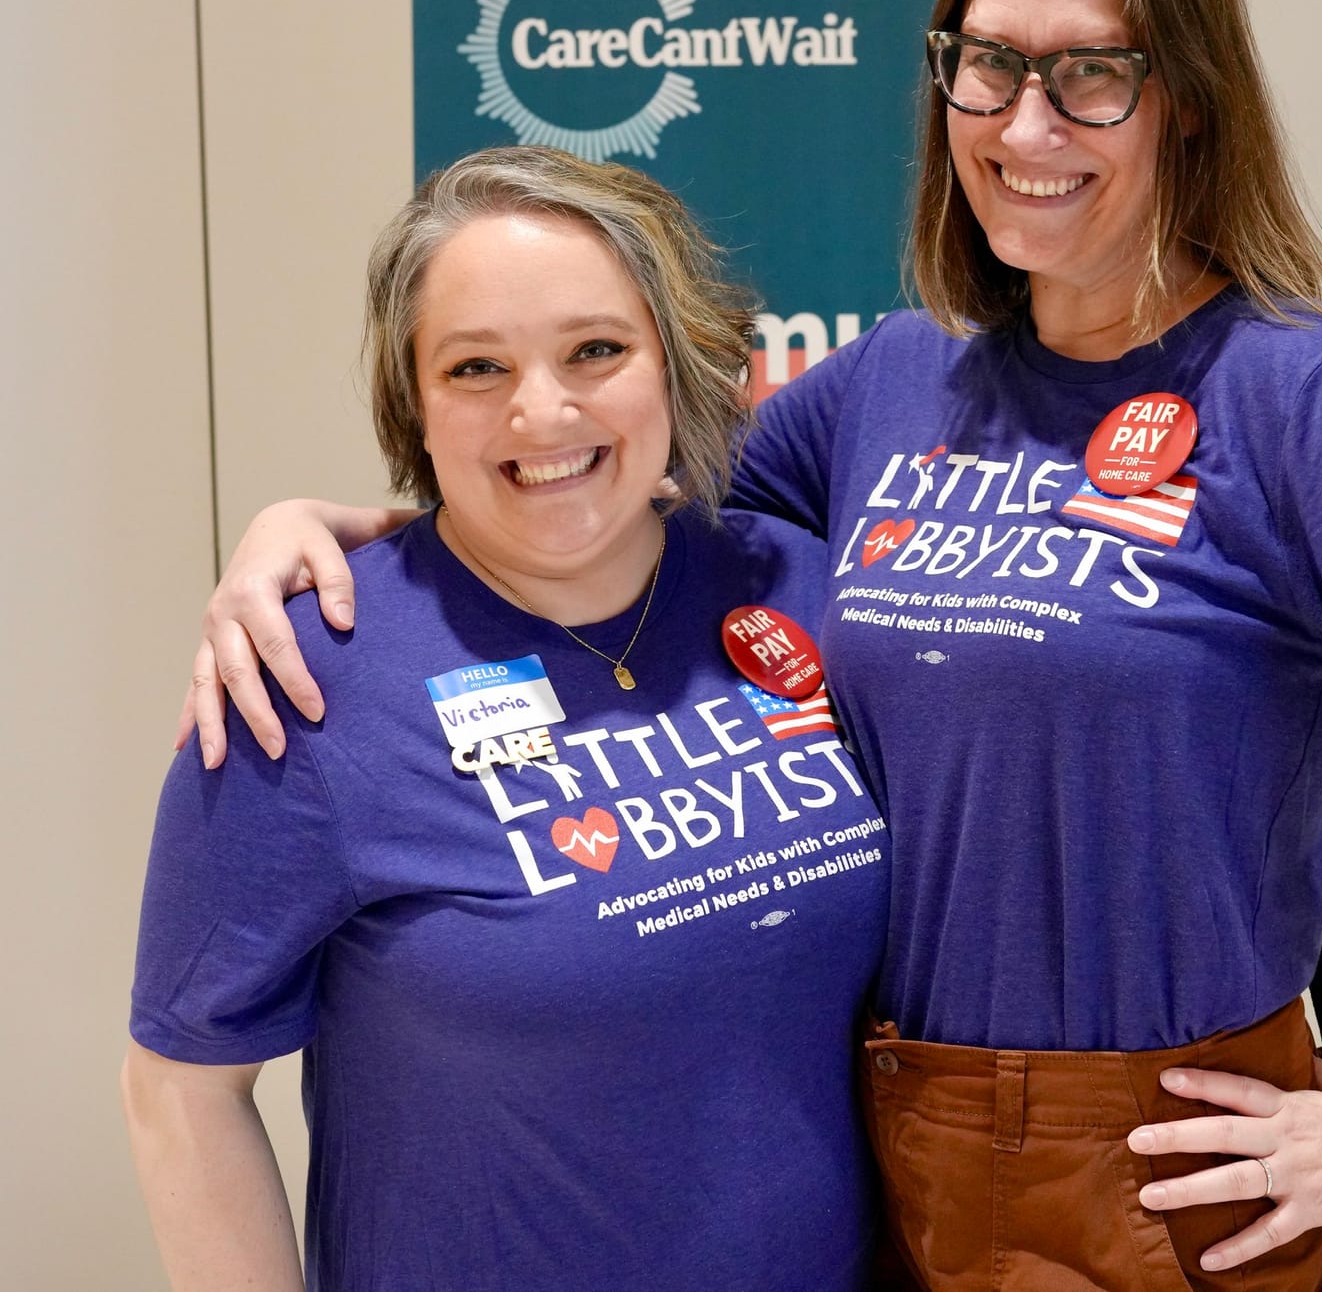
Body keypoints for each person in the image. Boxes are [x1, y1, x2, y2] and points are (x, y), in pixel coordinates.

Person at [179, 0, 1322, 1290]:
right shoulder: (891, 386)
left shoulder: (1301, 401)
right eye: (988, 64)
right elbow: (583, 485)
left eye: (1090, 74)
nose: (1024, 126)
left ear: (1187, 101)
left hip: (1160, 1176)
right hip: (887, 1160)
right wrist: (318, 527)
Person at [122, 148, 894, 1291]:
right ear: (415, 406)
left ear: (674, 365)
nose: (543, 411)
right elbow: (181, 1090)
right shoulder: (303, 676)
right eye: (476, 367)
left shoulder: (798, 588)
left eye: (596, 350)